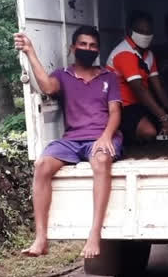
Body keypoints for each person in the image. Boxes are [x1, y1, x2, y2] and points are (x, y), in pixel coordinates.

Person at [14, 26, 122, 259]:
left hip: (101, 136)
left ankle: (94, 234)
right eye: (83, 44)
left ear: (98, 50)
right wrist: (30, 51)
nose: (87, 49)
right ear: (73, 48)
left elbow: (115, 112)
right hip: (72, 139)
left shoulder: (108, 77)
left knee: (101, 160)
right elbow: (46, 86)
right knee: (41, 165)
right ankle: (41, 238)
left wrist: (106, 136)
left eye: (93, 46)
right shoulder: (63, 75)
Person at [107, 11, 168, 143]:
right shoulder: (124, 53)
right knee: (149, 132)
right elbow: (139, 88)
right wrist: (164, 118)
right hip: (122, 107)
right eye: (140, 31)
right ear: (129, 31)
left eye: (148, 31)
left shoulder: (148, 54)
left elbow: (158, 87)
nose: (145, 35)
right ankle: (125, 139)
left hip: (140, 104)